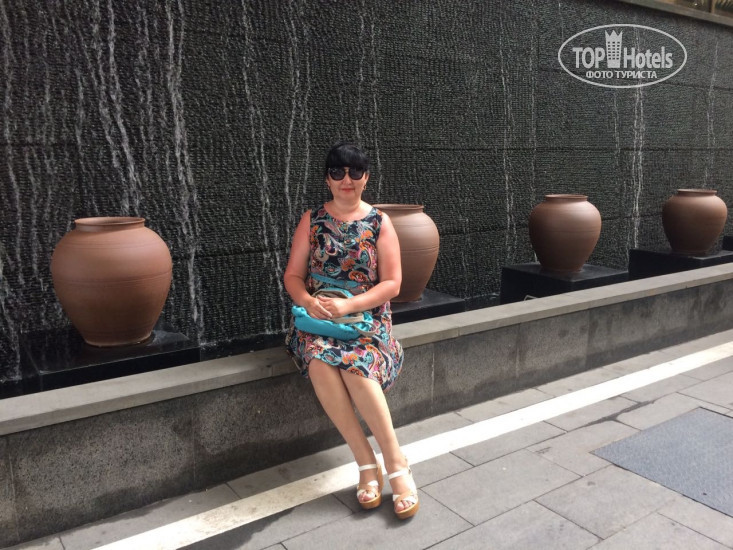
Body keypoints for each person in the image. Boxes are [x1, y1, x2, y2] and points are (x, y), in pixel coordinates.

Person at [284, 140, 419, 520]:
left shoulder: (379, 222)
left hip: (366, 320)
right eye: (338, 172)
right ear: (327, 179)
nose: (347, 179)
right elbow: (293, 276)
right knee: (319, 360)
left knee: (356, 367)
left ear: (366, 177)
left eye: (355, 171)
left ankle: (395, 462)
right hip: (318, 319)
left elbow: (392, 283)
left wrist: (349, 305)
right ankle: (365, 462)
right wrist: (308, 301)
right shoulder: (312, 219)